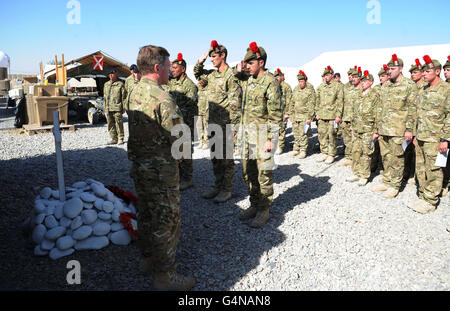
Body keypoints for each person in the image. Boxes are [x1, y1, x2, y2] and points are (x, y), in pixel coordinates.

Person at [127, 44, 195, 291]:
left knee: (145, 212)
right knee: (167, 220)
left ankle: (147, 259)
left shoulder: (133, 93)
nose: (170, 71)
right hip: (161, 172)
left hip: (140, 168)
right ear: (157, 68)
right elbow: (181, 142)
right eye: (167, 66)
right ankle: (165, 275)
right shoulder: (164, 98)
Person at [234, 42, 282, 228]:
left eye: (250, 63)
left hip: (263, 135)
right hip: (247, 134)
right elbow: (233, 75)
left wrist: (271, 139)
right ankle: (254, 204)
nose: (247, 66)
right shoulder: (248, 79)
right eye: (245, 63)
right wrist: (239, 67)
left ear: (261, 62)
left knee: (264, 174)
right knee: (248, 172)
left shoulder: (270, 82)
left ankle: (264, 209)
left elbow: (276, 114)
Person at [193, 40, 241, 203]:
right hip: (213, 122)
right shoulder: (211, 75)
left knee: (226, 159)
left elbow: (235, 102)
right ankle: (217, 185)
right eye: (211, 56)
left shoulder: (231, 75)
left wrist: (234, 125)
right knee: (215, 157)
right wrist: (201, 60)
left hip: (226, 123)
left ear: (223, 56)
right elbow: (197, 74)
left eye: (214, 56)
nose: (212, 59)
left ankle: (226, 189)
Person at [372, 54, 418, 199]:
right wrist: (378, 127)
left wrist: (410, 129)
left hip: (399, 129)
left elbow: (413, 108)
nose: (389, 71)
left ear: (401, 69)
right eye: (389, 69)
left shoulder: (409, 85)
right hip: (385, 128)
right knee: (385, 156)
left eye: (393, 69)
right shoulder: (385, 86)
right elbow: (380, 108)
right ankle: (386, 180)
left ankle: (394, 185)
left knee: (397, 158)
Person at [407, 56, 449, 214]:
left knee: (434, 169)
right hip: (421, 136)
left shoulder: (446, 89)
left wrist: (445, 139)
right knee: (421, 168)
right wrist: (415, 133)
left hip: (436, 138)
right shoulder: (423, 90)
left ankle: (431, 201)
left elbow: (449, 116)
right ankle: (423, 196)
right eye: (422, 71)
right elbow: (417, 113)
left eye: (427, 71)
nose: (423, 74)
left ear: (437, 72)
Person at [168, 53, 199, 190]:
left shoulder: (190, 86)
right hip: (174, 123)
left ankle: (188, 179)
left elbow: (191, 108)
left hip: (185, 123)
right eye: (172, 68)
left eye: (175, 68)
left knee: (185, 150)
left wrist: (176, 115)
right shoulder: (171, 83)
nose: (172, 70)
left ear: (183, 69)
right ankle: (179, 175)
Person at [346, 71, 378, 186]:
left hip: (368, 129)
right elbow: (353, 112)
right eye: (362, 81)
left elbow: (378, 114)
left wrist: (376, 131)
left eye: (366, 81)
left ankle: (364, 175)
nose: (363, 83)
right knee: (355, 151)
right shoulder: (358, 94)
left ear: (371, 82)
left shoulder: (374, 96)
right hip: (357, 128)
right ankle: (356, 172)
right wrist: (352, 126)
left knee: (366, 152)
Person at [315, 65, 344, 164]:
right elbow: (317, 100)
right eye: (324, 75)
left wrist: (338, 116)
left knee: (332, 135)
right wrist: (317, 113)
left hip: (332, 116)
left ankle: (331, 154)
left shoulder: (338, 86)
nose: (325, 77)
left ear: (332, 74)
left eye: (327, 75)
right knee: (322, 134)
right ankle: (325, 152)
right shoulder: (321, 86)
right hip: (322, 115)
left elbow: (340, 101)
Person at [289, 70, 315, 159]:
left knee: (303, 133)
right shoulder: (296, 89)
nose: (300, 83)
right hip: (296, 116)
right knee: (296, 133)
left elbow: (312, 104)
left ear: (305, 81)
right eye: (299, 81)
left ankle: (303, 150)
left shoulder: (310, 90)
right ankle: (296, 149)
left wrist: (309, 117)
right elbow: (292, 102)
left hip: (304, 116)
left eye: (301, 81)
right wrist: (291, 114)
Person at [340, 67, 362, 167]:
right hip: (346, 116)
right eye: (351, 76)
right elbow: (342, 102)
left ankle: (356, 159)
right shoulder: (346, 87)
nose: (352, 78)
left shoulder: (362, 88)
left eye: (354, 76)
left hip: (356, 119)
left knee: (356, 140)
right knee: (347, 139)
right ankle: (349, 157)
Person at [103, 68, 126, 145]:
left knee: (119, 123)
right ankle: (114, 138)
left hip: (117, 107)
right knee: (110, 124)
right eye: (110, 74)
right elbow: (105, 97)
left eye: (113, 74)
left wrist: (124, 107)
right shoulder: (106, 84)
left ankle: (120, 138)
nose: (111, 75)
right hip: (109, 108)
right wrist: (105, 107)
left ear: (116, 74)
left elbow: (124, 97)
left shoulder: (120, 84)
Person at [273, 68, 292, 154]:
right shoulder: (273, 86)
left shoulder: (286, 86)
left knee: (281, 130)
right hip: (274, 112)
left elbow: (289, 101)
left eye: (278, 76)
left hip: (283, 112)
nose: (276, 78)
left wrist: (287, 113)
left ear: (281, 76)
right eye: (275, 77)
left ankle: (280, 147)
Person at [197, 78, 209, 150]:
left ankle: (206, 142)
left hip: (206, 111)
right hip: (199, 111)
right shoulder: (198, 88)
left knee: (206, 128)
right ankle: (200, 141)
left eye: (202, 81)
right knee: (199, 127)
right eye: (199, 81)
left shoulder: (208, 89)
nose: (200, 82)